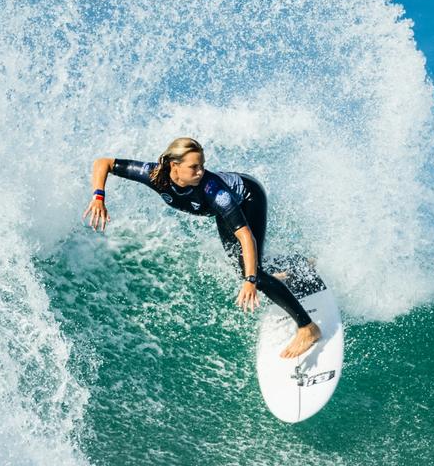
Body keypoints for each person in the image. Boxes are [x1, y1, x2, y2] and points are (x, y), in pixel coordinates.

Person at [83, 137, 322, 359]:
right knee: (247, 268)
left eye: (202, 165)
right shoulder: (155, 175)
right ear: (173, 166)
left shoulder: (214, 190)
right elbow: (103, 162)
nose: (201, 171)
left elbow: (246, 237)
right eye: (194, 167)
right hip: (222, 208)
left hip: (248, 198)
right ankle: (297, 265)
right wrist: (98, 197)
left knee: (254, 274)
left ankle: (307, 328)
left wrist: (250, 280)